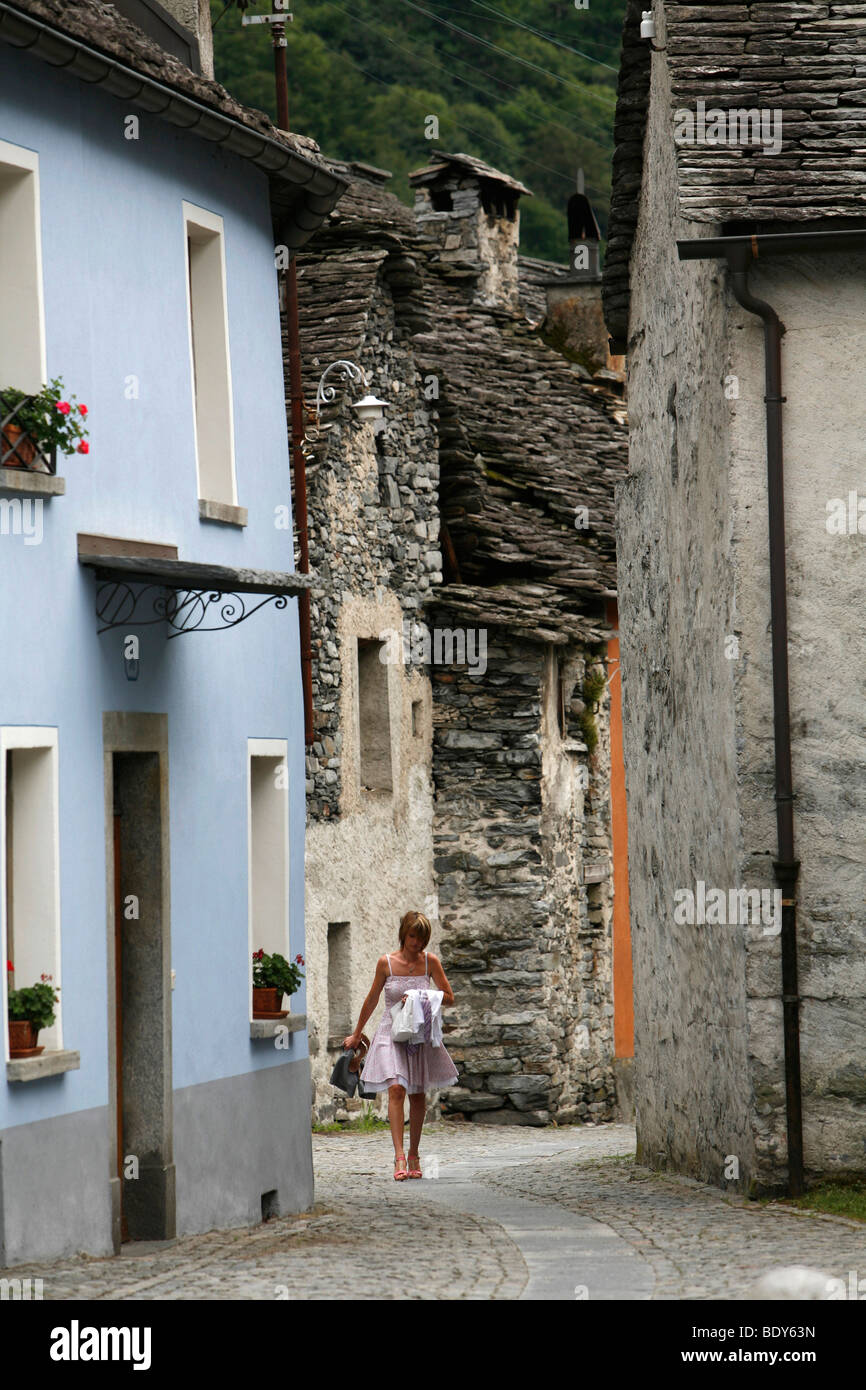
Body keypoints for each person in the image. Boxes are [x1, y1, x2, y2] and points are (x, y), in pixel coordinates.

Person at [343, 910, 458, 1180]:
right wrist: (357, 1033)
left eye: (422, 939)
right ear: (404, 934)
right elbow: (372, 999)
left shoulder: (431, 963)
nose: (417, 943)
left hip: (418, 1034)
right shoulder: (386, 963)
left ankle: (414, 1153)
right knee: (396, 1088)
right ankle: (398, 1157)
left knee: (417, 1094)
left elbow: (449, 997)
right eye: (413, 937)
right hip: (390, 1032)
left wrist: (419, 996)